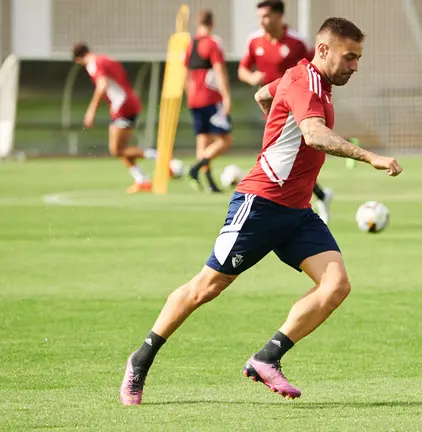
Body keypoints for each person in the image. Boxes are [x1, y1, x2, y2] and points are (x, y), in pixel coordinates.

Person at [120, 17, 403, 406]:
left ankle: (268, 357)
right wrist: (368, 155)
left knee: (336, 285)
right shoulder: (306, 82)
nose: (355, 66)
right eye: (349, 57)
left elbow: (263, 96)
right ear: (323, 50)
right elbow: (315, 134)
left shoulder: (303, 78)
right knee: (206, 287)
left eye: (358, 58)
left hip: (297, 212)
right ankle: (140, 359)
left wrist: (279, 125)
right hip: (261, 204)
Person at [238, 0, 334, 224]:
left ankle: (292, 205)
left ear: (279, 16)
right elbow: (243, 68)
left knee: (288, 158)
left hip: (297, 109)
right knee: (284, 159)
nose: (262, 21)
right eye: (259, 16)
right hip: (270, 107)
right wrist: (251, 77)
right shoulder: (254, 41)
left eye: (266, 16)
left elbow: (315, 68)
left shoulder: (296, 42)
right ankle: (319, 196)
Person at [73, 43, 156, 193]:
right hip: (127, 102)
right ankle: (142, 179)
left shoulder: (93, 64)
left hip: (122, 105)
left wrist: (91, 110)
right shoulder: (106, 59)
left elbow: (102, 85)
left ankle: (162, 158)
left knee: (116, 149)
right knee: (122, 149)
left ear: (78, 59)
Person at [184, 9, 233, 193]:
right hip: (211, 98)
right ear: (212, 23)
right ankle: (196, 168)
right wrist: (227, 97)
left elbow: (185, 74)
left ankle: (210, 183)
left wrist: (189, 94)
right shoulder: (213, 44)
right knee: (225, 140)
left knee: (203, 141)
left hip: (194, 99)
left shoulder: (190, 45)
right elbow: (219, 72)